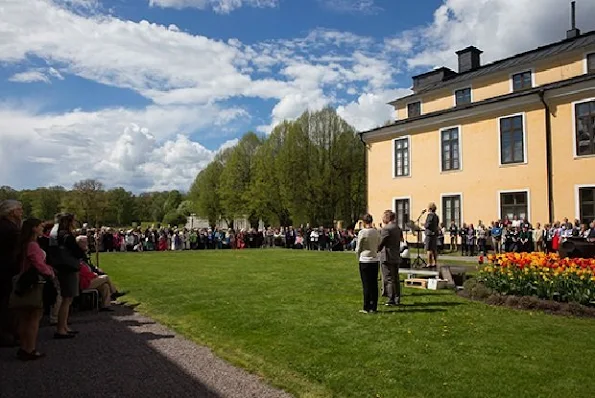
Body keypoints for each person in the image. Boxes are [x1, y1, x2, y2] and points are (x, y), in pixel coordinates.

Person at [13, 218, 56, 360]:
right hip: (33, 282)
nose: (42, 229)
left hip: (24, 280)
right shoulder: (32, 245)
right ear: (33, 228)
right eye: (40, 226)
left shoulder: (24, 244)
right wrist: (50, 273)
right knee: (33, 317)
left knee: (25, 318)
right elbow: (37, 262)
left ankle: (24, 347)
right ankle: (30, 348)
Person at [49, 213, 84, 339]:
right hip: (68, 268)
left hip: (61, 267)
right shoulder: (66, 236)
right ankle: (61, 329)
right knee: (67, 299)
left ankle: (64, 326)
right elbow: (77, 252)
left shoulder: (56, 234)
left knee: (66, 299)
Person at [0, 200, 23, 347]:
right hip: (6, 270)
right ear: (12, 211)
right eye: (19, 209)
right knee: (7, 304)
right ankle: (7, 335)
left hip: (5, 269)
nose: (21, 212)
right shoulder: (10, 228)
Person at [355, 214, 380, 314]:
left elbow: (359, 247)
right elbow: (379, 244)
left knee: (366, 284)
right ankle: (374, 307)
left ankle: (366, 306)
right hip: (374, 259)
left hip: (365, 259)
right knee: (374, 284)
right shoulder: (376, 232)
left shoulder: (362, 232)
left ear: (364, 222)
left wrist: (358, 255)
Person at [378, 210, 403, 306]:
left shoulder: (386, 229)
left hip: (387, 256)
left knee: (388, 278)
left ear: (387, 218)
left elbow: (382, 242)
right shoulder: (397, 227)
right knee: (395, 278)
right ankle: (397, 298)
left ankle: (391, 298)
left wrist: (377, 248)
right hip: (396, 255)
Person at [424, 203, 439, 268]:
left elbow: (428, 225)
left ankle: (429, 263)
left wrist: (424, 225)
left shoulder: (430, 215)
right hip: (434, 233)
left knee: (429, 249)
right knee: (434, 249)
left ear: (430, 208)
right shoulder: (436, 216)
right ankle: (435, 262)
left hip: (429, 233)